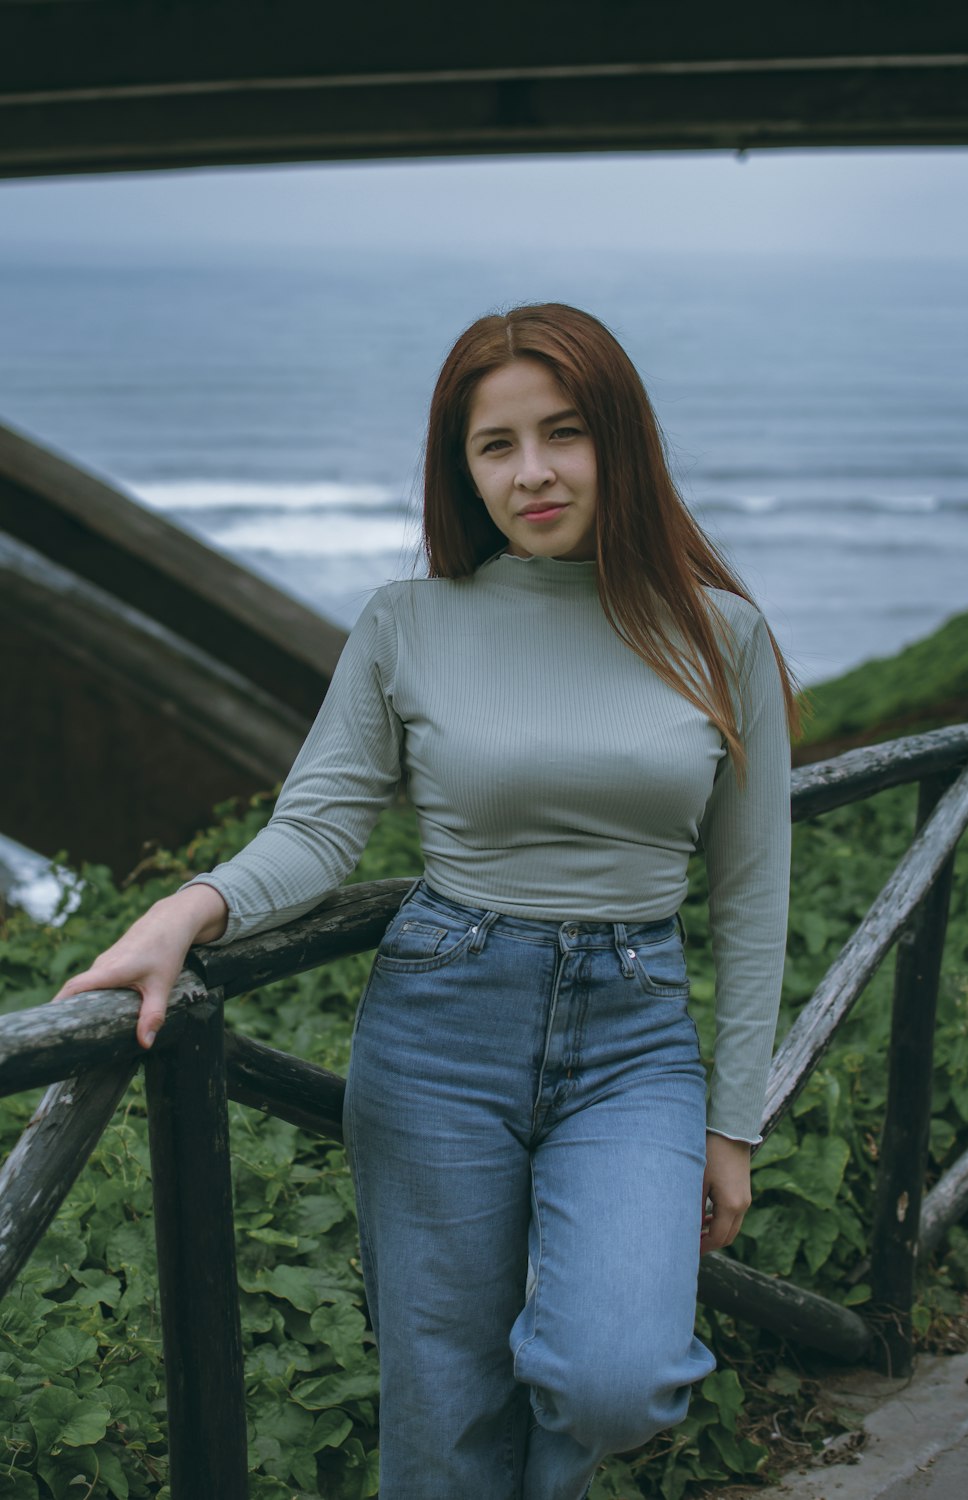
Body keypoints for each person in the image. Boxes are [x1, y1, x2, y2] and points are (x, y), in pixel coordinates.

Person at [54, 303, 798, 1500]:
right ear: (461, 467)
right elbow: (320, 828)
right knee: (443, 1404)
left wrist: (732, 1122)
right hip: (442, 1024)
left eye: (563, 434)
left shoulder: (722, 636)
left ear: (621, 440)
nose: (533, 473)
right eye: (494, 446)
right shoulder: (409, 624)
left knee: (618, 1376)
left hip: (634, 1038)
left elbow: (754, 893)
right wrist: (186, 911)